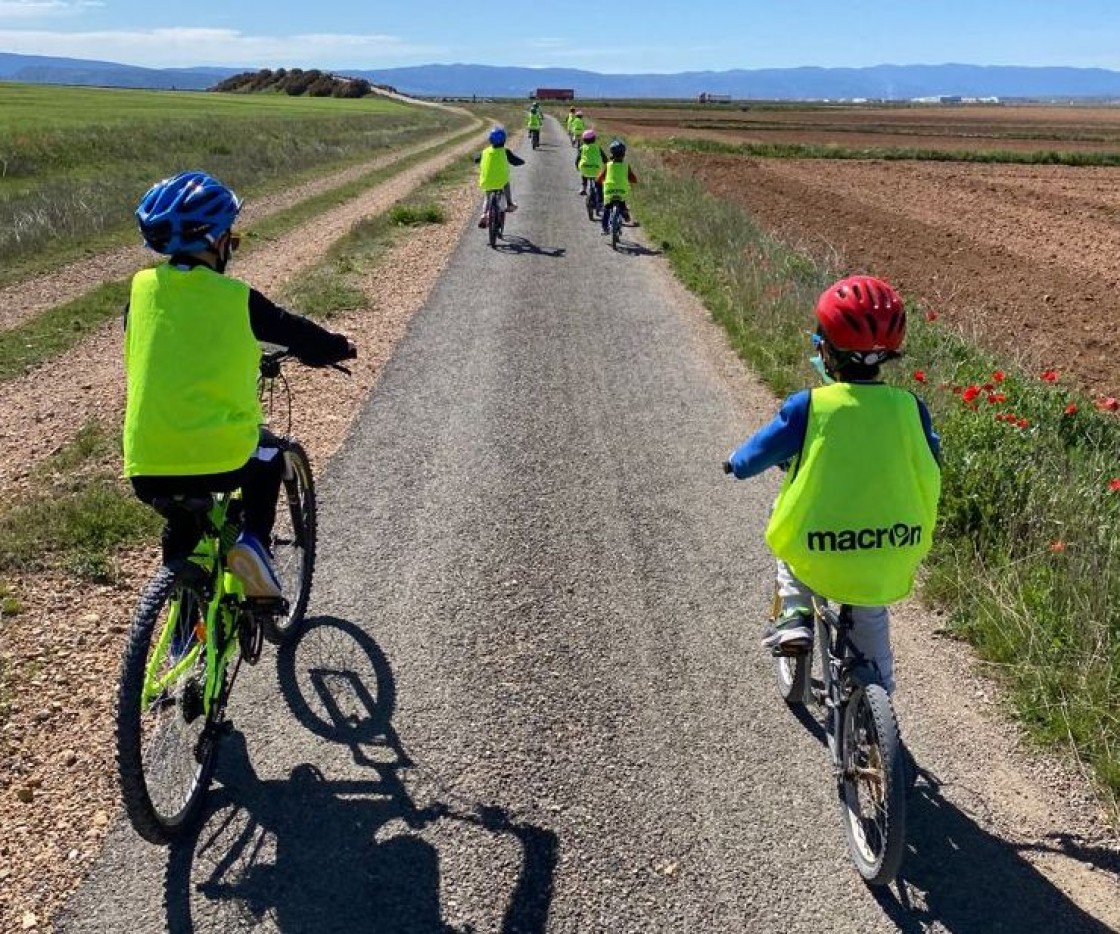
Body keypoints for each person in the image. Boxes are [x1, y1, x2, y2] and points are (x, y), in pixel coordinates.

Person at [125, 170, 355, 598]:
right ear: (215, 241)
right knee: (268, 457)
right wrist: (337, 347)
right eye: (230, 234)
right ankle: (254, 547)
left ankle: (181, 621)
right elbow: (296, 332)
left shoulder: (139, 292)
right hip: (221, 454)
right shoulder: (237, 298)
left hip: (145, 460)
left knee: (185, 519)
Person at [723, 275, 941, 693]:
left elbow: (757, 454)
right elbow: (931, 457)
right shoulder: (911, 408)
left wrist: (736, 464)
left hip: (822, 544)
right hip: (892, 543)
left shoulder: (810, 407)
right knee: (870, 613)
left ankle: (793, 617)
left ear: (825, 347)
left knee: (788, 533)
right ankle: (878, 699)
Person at [473, 126, 524, 228]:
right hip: (501, 181)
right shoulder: (505, 152)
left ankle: (483, 215)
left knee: (487, 198)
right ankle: (509, 204)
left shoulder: (484, 152)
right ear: (504, 139)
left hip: (486, 181)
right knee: (506, 184)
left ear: (490, 139)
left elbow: (475, 159)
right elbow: (515, 161)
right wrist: (522, 162)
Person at [597, 138, 638, 235]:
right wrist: (631, 180)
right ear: (623, 154)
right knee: (622, 202)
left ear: (611, 153)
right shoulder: (626, 165)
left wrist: (600, 181)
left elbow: (600, 178)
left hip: (609, 190)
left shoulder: (608, 165)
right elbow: (633, 178)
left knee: (607, 209)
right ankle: (625, 214)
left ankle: (604, 228)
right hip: (622, 190)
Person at [576, 128, 606, 198]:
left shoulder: (582, 148)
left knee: (584, 173)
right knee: (598, 184)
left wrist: (577, 166)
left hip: (585, 168)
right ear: (594, 139)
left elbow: (578, 159)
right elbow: (605, 159)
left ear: (584, 140)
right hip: (597, 169)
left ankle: (584, 187)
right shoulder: (598, 148)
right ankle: (600, 197)